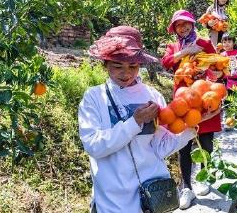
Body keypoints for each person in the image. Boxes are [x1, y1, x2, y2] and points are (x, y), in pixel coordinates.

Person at [78, 26, 198, 213]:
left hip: (151, 199)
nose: (126, 73)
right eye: (118, 66)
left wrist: (191, 128)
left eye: (133, 66)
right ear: (105, 64)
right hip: (112, 203)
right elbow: (94, 146)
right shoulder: (94, 98)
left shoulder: (152, 95)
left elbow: (160, 148)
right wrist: (135, 122)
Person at [161, 10, 222, 209]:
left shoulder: (204, 42)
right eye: (178, 25)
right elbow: (166, 63)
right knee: (183, 145)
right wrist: (185, 52)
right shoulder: (173, 47)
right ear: (175, 29)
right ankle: (186, 187)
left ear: (192, 24)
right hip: (182, 103)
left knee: (206, 142)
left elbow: (217, 64)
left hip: (204, 97)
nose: (183, 27)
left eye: (185, 23)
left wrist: (212, 70)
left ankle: (206, 177)